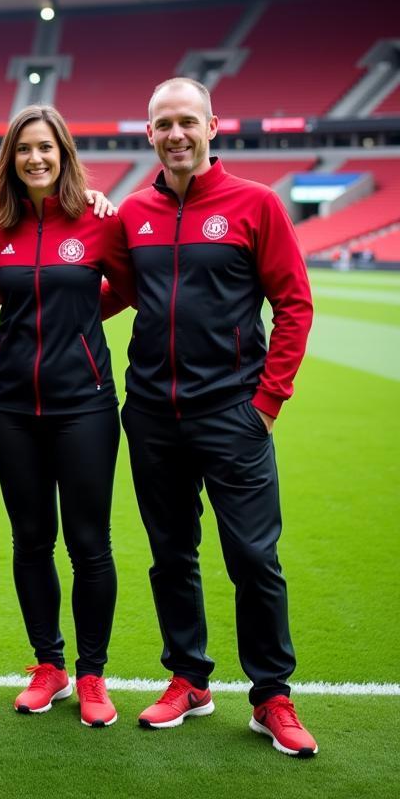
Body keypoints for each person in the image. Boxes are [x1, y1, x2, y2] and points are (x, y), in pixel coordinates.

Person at [118, 77, 318, 757]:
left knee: (254, 558)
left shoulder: (255, 204)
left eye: (186, 121)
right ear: (149, 134)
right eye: (163, 124)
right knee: (171, 555)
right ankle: (189, 679)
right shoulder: (133, 212)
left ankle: (271, 696)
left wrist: (267, 403)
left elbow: (294, 303)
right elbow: (106, 290)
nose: (175, 134)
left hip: (232, 411)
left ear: (211, 127)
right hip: (149, 412)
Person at [0, 105, 137, 726]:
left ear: (64, 154)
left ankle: (93, 675)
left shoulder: (99, 220)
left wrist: (76, 323)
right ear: (11, 161)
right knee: (31, 539)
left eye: (46, 148)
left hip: (85, 405)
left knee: (89, 544)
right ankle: (50, 666)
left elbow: (126, 289)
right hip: (11, 406)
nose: (35, 158)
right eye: (24, 150)